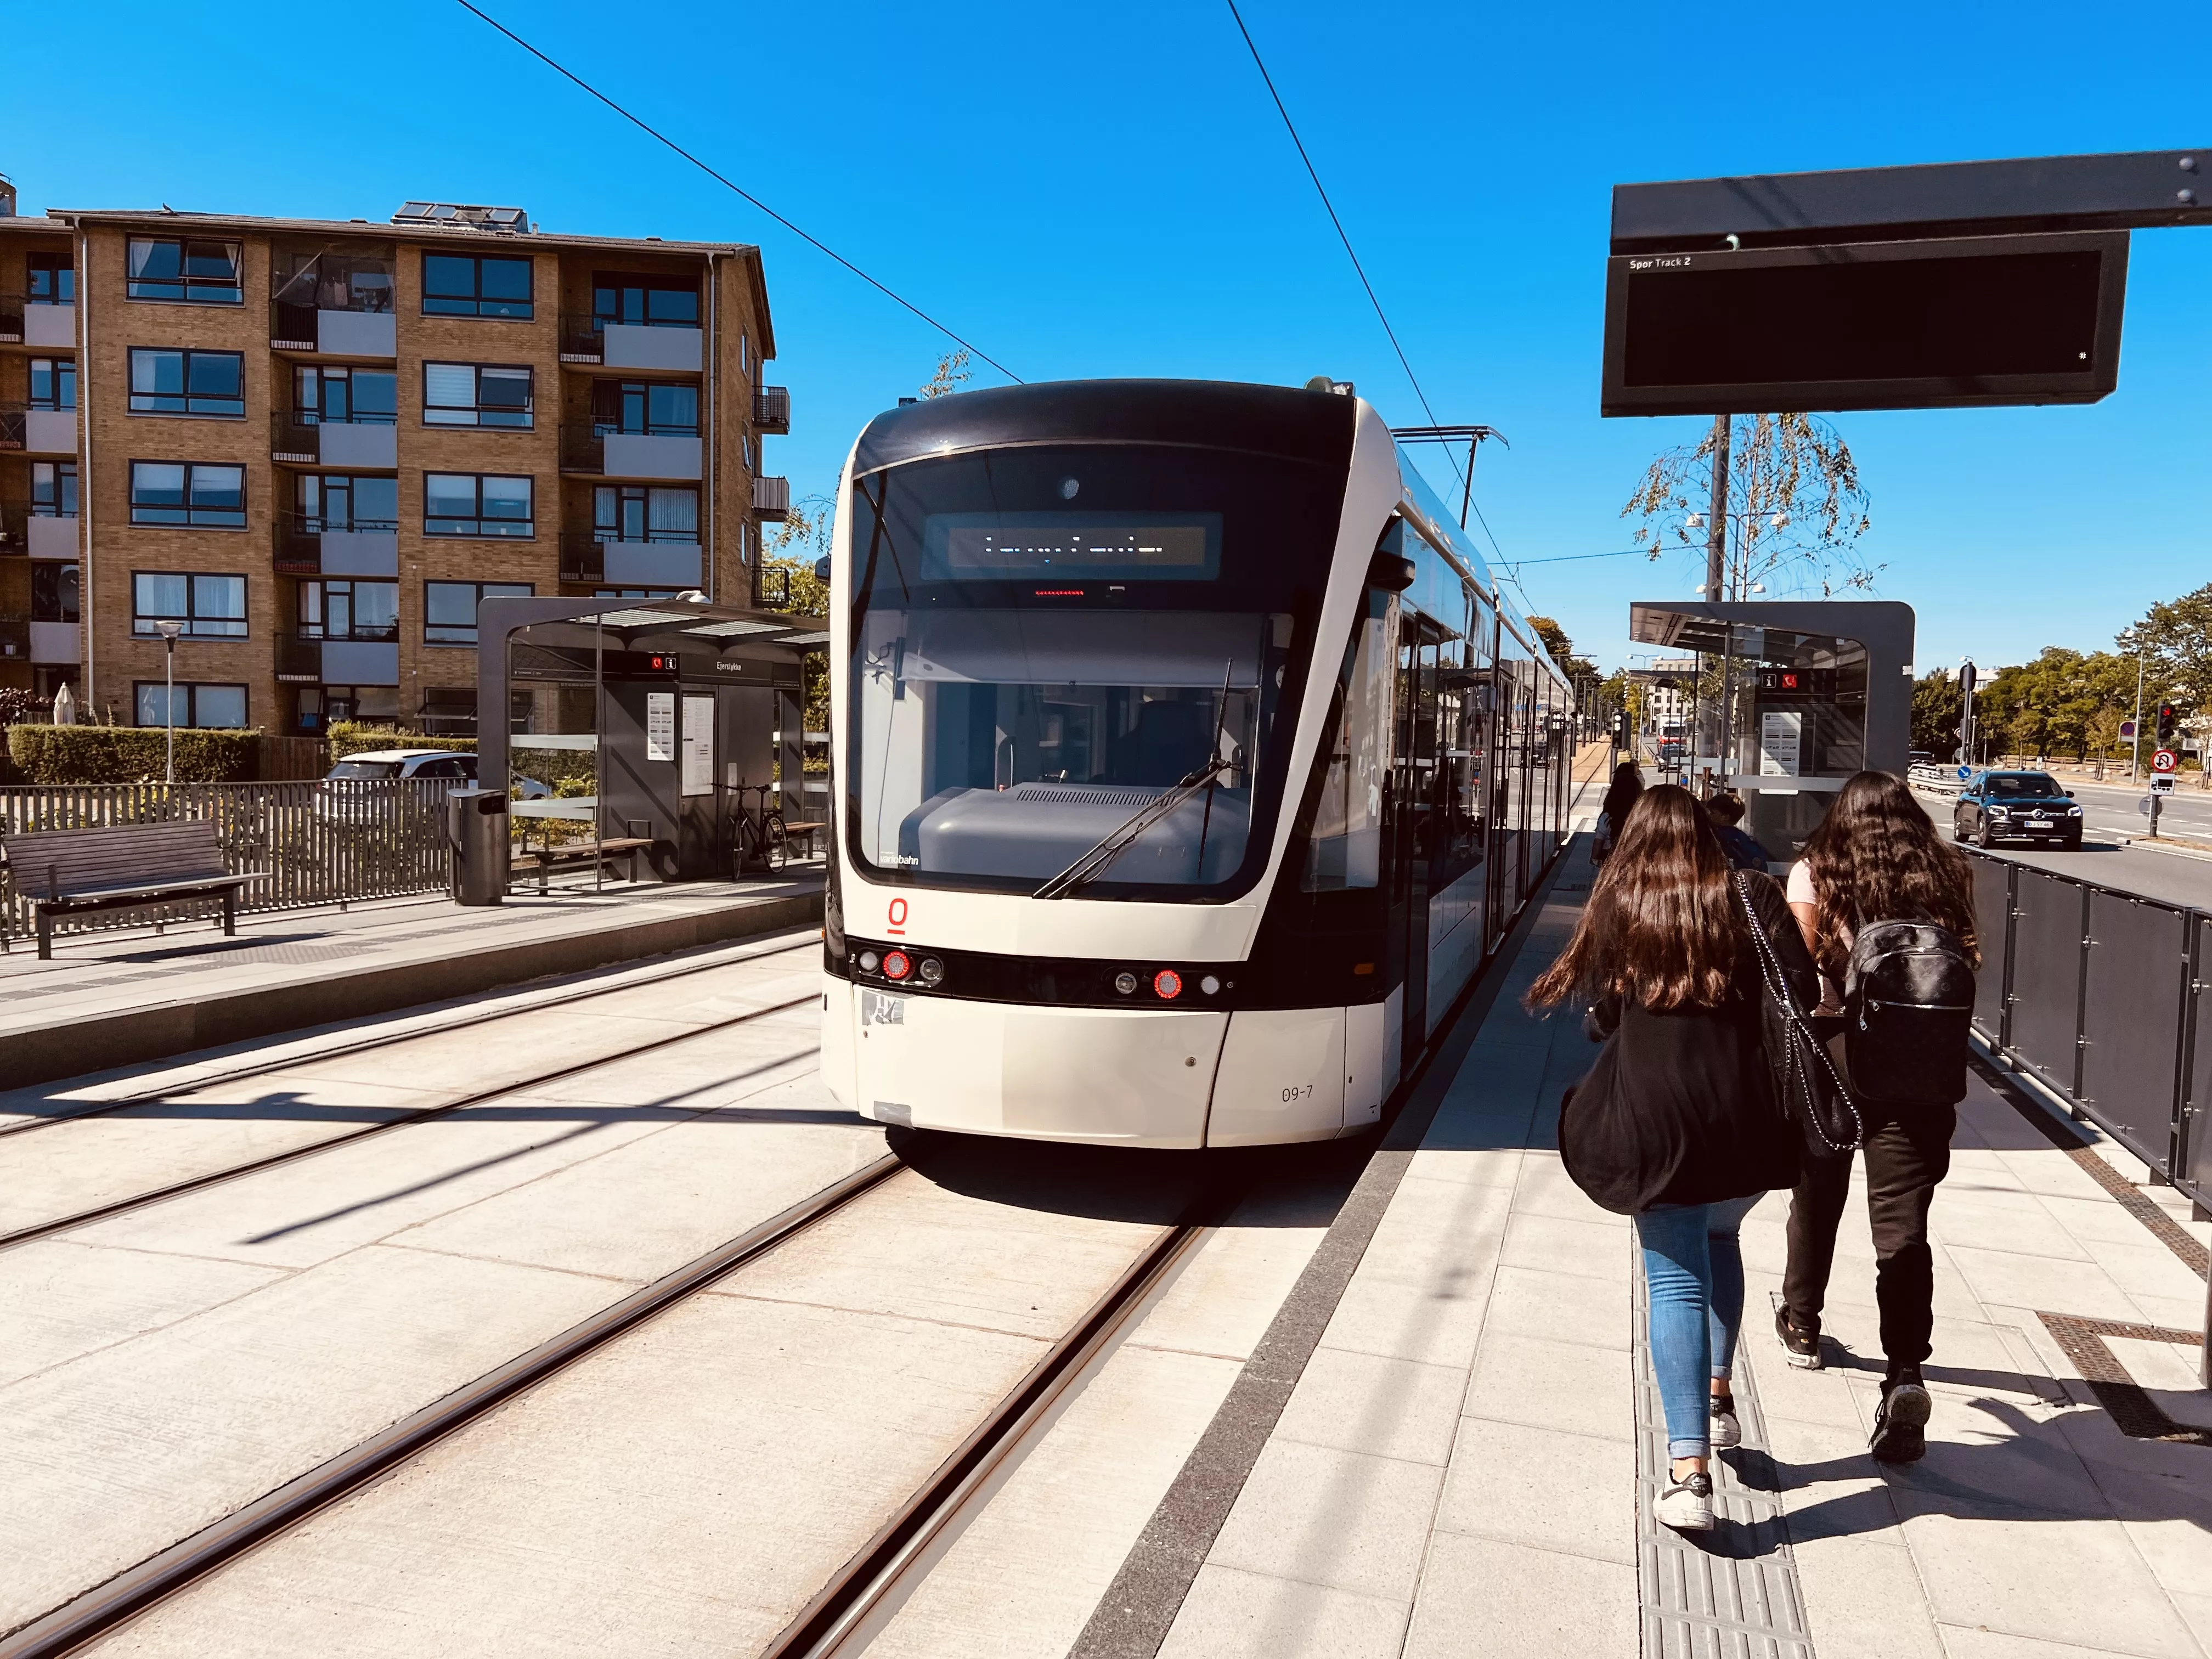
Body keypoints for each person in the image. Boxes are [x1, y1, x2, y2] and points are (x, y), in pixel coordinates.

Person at [1530, 785, 1816, 1532]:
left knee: (1675, 1281)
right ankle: (1719, 1399)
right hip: (1748, 1118)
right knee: (1723, 1239)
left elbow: (1600, 1010)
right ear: (1709, 834)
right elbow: (1803, 989)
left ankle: (1689, 1472)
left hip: (1657, 1123)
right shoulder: (1753, 895)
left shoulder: (1623, 901)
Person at [1777, 770, 1979, 1465]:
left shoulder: (1817, 870)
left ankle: (1802, 1323)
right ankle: (1905, 1373)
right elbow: (1969, 958)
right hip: (1921, 1067)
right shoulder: (1947, 874)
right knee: (1903, 1224)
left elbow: (1799, 969)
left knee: (1818, 1189)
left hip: (1838, 1053)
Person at [1590, 760, 1644, 865]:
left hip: (1609, 861)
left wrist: (1595, 858)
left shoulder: (1607, 818)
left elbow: (1598, 842)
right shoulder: (1641, 816)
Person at [1705, 791, 1770, 872]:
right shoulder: (1744, 838)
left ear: (1726, 817)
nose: (1708, 815)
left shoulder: (1717, 837)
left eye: (1712, 812)